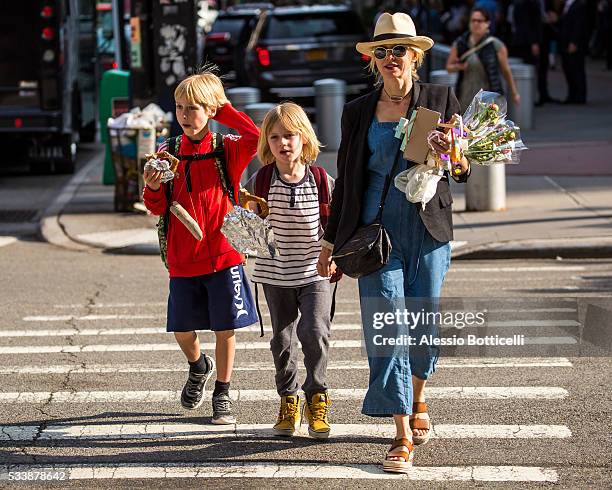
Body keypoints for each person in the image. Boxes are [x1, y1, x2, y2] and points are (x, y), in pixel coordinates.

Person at [317, 12, 470, 472]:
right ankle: (400, 430)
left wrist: (455, 154)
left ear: (416, 56)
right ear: (373, 61)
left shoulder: (440, 100)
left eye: (398, 50)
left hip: (427, 231)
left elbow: (462, 172)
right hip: (375, 234)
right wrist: (330, 242)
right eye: (381, 52)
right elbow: (347, 179)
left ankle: (418, 396)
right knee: (386, 326)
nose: (390, 58)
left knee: (422, 326)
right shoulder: (357, 110)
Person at [142, 71, 260, 425]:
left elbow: (255, 136)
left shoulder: (228, 147)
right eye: (179, 107)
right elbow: (157, 207)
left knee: (225, 329)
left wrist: (222, 107)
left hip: (224, 255)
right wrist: (151, 187)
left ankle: (222, 392)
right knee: (182, 329)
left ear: (209, 110)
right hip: (183, 258)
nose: (184, 115)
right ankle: (198, 366)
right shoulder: (169, 153)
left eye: (193, 107)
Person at [245, 103, 335, 439]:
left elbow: (336, 223)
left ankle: (317, 397)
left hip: (315, 272)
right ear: (267, 143)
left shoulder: (322, 180)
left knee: (313, 333)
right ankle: (288, 399)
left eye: (290, 135)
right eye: (275, 137)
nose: (283, 143)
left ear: (304, 138)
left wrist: (334, 251)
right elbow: (249, 224)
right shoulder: (261, 179)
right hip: (275, 274)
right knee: (281, 341)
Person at [446, 7, 520, 112]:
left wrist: (514, 93)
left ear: (487, 23)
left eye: (479, 21)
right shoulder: (460, 43)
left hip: (489, 95)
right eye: (473, 20)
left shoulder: (495, 45)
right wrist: (459, 67)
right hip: (465, 95)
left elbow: (506, 71)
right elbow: (449, 67)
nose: (476, 24)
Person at [559, 0, 588, 103]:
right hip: (565, 42)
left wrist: (574, 42)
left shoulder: (579, 5)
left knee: (577, 69)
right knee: (568, 68)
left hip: (574, 43)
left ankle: (580, 96)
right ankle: (572, 94)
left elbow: (579, 25)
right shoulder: (565, 5)